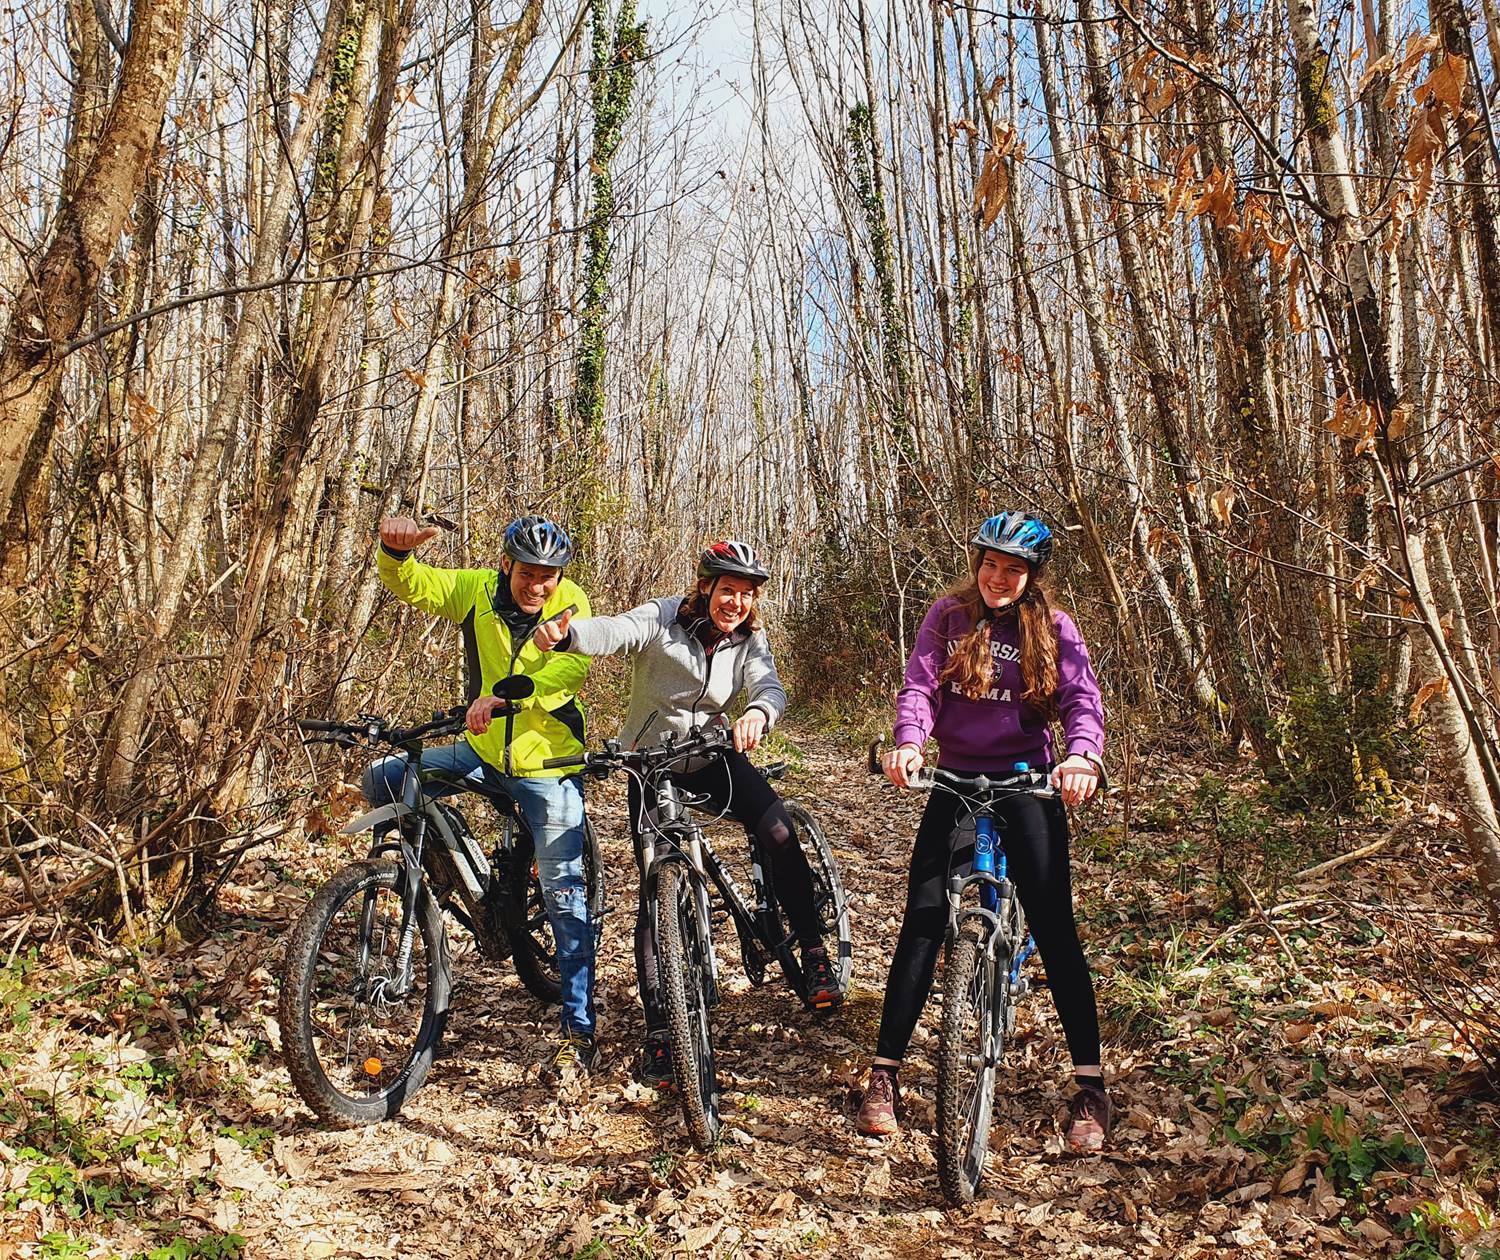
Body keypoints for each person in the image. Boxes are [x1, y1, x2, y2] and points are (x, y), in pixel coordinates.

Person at [533, 539, 843, 1083]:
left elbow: (769, 686)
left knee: (778, 832)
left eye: (746, 594)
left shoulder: (749, 639)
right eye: (728, 590)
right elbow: (616, 631)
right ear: (706, 587)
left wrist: (758, 713)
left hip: (713, 756)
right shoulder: (664, 617)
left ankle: (813, 948)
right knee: (656, 890)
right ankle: (660, 1028)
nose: (736, 602)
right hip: (651, 764)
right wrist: (570, 635)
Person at [855, 511, 1112, 1151]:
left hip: (1028, 780)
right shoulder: (949, 616)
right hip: (956, 780)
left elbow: (1082, 700)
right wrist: (909, 742)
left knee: (1054, 925)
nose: (998, 577)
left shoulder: (1055, 628)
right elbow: (919, 687)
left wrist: (1082, 756)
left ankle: (1091, 1085)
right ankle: (884, 1074)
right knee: (923, 917)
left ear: (1032, 576)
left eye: (1013, 569)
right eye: (990, 563)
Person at [363, 513, 599, 1076]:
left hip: (548, 761)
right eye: (527, 573)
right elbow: (416, 585)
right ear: (506, 566)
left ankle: (579, 1024)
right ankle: (452, 870)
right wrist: (396, 552)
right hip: (484, 751)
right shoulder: (477, 591)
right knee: (384, 778)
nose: (537, 585)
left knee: (565, 895)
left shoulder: (571, 603)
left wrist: (508, 697)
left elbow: (569, 672)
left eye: (547, 575)